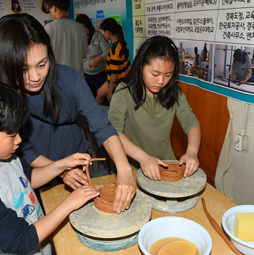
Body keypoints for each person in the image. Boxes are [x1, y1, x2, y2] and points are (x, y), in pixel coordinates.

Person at [0, 13, 135, 213]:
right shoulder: (1, 96)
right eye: (23, 69)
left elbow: (101, 125)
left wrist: (124, 169)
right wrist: (59, 169)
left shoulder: (69, 79)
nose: (35, 77)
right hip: (34, 171)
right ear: (5, 65)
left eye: (42, 64)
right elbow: (26, 150)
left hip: (75, 158)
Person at [0, 77, 99, 255]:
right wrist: (71, 203)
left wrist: (61, 165)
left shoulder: (1, 156)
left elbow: (27, 178)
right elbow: (23, 239)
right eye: (11, 134)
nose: (19, 140)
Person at [107, 36, 201, 181]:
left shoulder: (174, 93)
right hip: (132, 168)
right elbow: (113, 132)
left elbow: (191, 122)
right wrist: (143, 158)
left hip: (166, 165)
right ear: (140, 66)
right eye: (155, 74)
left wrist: (192, 152)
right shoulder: (124, 92)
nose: (161, 81)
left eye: (168, 75)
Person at [44, 0, 87, 76]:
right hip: (77, 79)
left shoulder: (49, 28)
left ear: (54, 8)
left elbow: (45, 56)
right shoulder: (81, 27)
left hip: (58, 80)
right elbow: (84, 54)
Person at [95, 18, 131, 104]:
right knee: (99, 93)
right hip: (124, 80)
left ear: (108, 32)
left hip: (117, 83)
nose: (102, 34)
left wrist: (110, 91)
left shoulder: (115, 49)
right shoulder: (122, 43)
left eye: (103, 31)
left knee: (100, 95)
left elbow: (114, 74)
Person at [75, 14, 110, 97]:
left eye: (85, 26)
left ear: (89, 25)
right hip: (86, 74)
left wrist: (99, 59)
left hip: (100, 73)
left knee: (101, 98)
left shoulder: (98, 35)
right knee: (89, 98)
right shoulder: (78, 38)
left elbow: (108, 50)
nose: (83, 30)